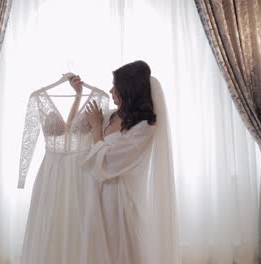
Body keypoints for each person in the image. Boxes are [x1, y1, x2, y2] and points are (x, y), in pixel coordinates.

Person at [69, 60, 180, 264]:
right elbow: (74, 131)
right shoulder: (111, 115)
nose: (111, 90)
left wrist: (95, 127)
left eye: (115, 86)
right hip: (95, 194)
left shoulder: (145, 128)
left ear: (128, 90)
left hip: (117, 201)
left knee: (116, 251)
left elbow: (109, 162)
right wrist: (79, 95)